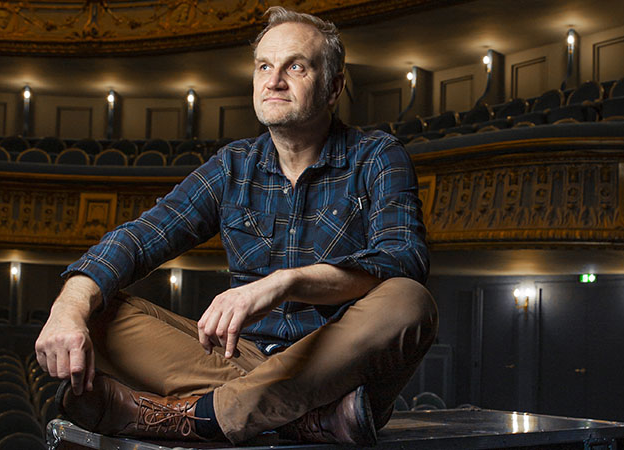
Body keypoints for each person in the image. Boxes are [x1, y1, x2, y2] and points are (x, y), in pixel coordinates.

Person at [34, 6, 437, 447]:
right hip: (233, 359)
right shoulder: (233, 166)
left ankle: (200, 416)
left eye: (295, 67)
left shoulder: (377, 155)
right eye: (264, 66)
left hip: (334, 363)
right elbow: (138, 238)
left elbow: (403, 257)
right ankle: (298, 415)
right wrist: (68, 308)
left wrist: (286, 283)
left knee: (408, 299)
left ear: (334, 86)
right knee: (95, 311)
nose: (274, 80)